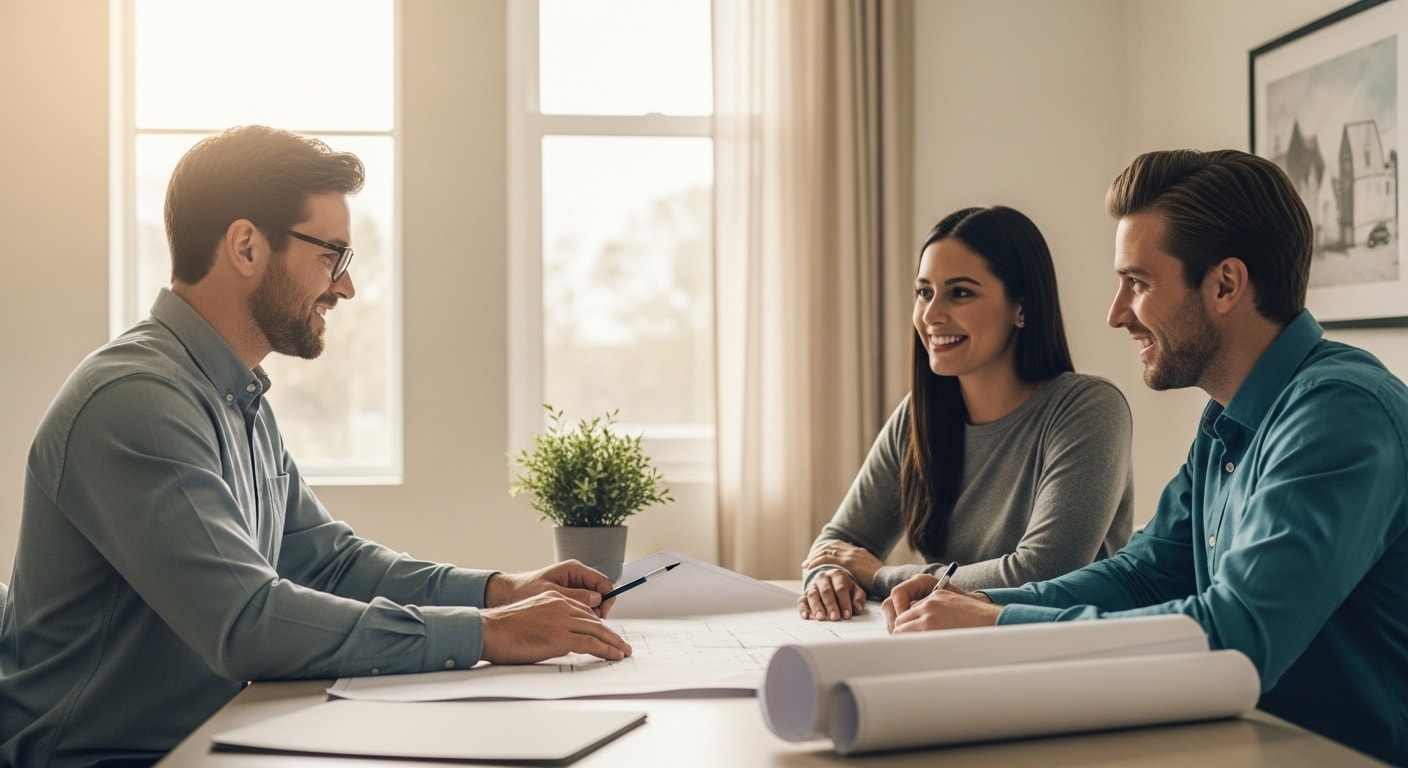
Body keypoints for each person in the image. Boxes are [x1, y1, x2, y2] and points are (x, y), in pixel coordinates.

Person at [0, 125, 632, 768]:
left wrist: (501, 590)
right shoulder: (136, 402)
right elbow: (247, 624)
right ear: (246, 246)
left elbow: (327, 562)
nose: (345, 287)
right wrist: (489, 634)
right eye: (332, 255)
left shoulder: (234, 397)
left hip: (205, 739)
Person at [882, 150, 1408, 765]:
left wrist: (997, 628)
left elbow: (1236, 636)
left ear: (1225, 285)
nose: (1116, 313)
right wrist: (983, 605)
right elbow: (1144, 573)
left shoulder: (1339, 412)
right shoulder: (1227, 420)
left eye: (1138, 282)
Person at [799, 206, 1134, 622]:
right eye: (924, 292)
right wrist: (828, 577)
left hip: (1056, 653)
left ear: (1022, 306)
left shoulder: (1089, 409)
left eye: (960, 292)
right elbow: (840, 543)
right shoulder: (917, 417)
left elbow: (1043, 571)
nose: (932, 315)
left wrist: (883, 575)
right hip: (950, 643)